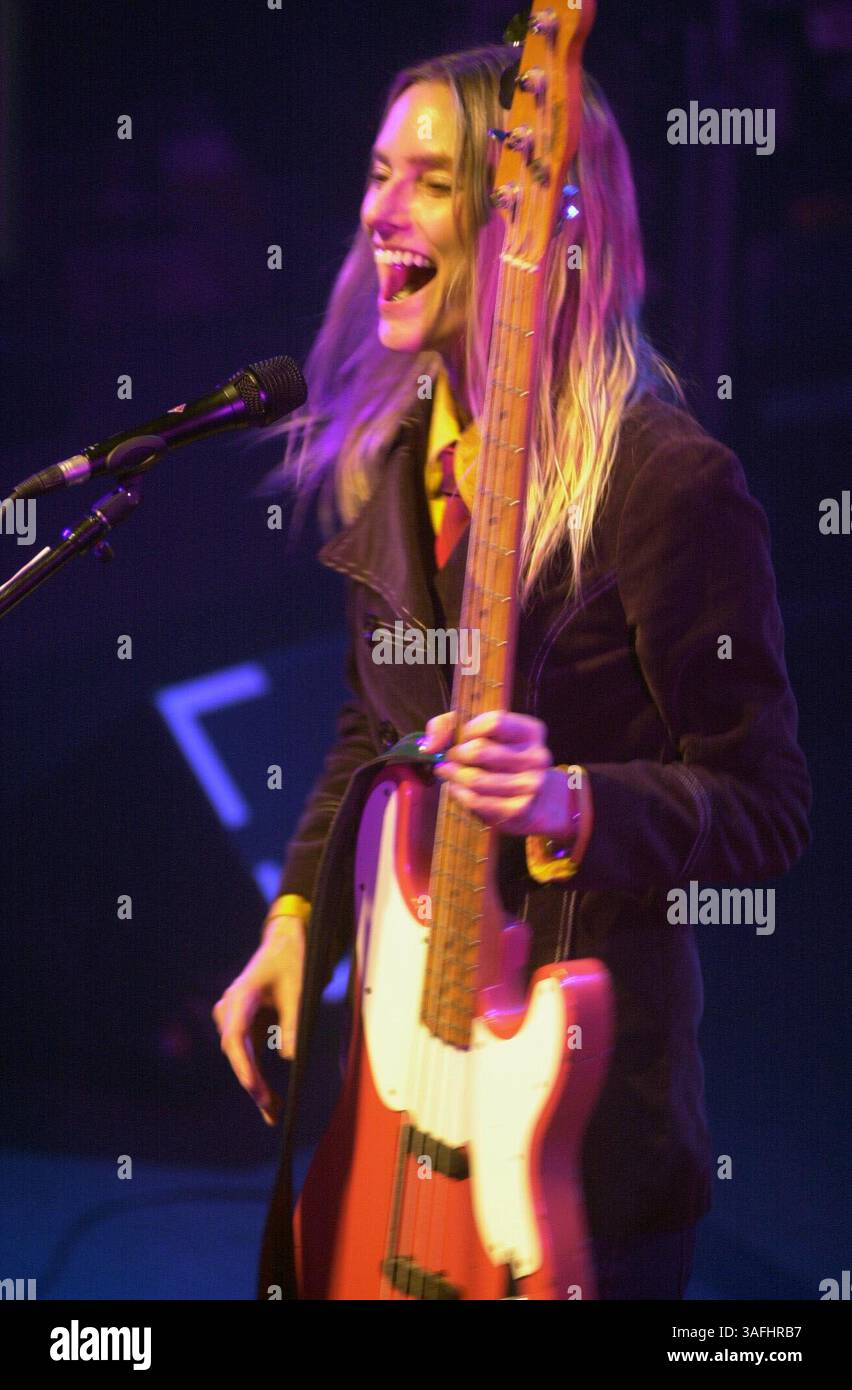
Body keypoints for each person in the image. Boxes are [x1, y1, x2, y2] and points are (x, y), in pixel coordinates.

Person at [212, 45, 811, 1300]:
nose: (379, 212)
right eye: (379, 177)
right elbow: (367, 731)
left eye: (429, 185)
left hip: (583, 1146)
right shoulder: (391, 454)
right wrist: (293, 918)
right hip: (394, 1097)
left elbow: (769, 805)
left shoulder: (665, 484)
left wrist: (575, 803)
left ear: (532, 220)